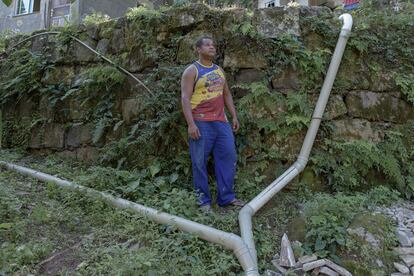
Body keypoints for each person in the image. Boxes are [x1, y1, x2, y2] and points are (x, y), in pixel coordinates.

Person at [181, 36, 244, 212]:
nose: (212, 47)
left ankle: (226, 198)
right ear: (198, 49)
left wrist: (234, 115)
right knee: (199, 162)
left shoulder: (219, 70)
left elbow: (227, 95)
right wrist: (191, 124)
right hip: (201, 122)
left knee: (228, 158)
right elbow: (185, 97)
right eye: (207, 45)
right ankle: (203, 202)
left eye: (213, 45)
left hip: (221, 122)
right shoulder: (192, 70)